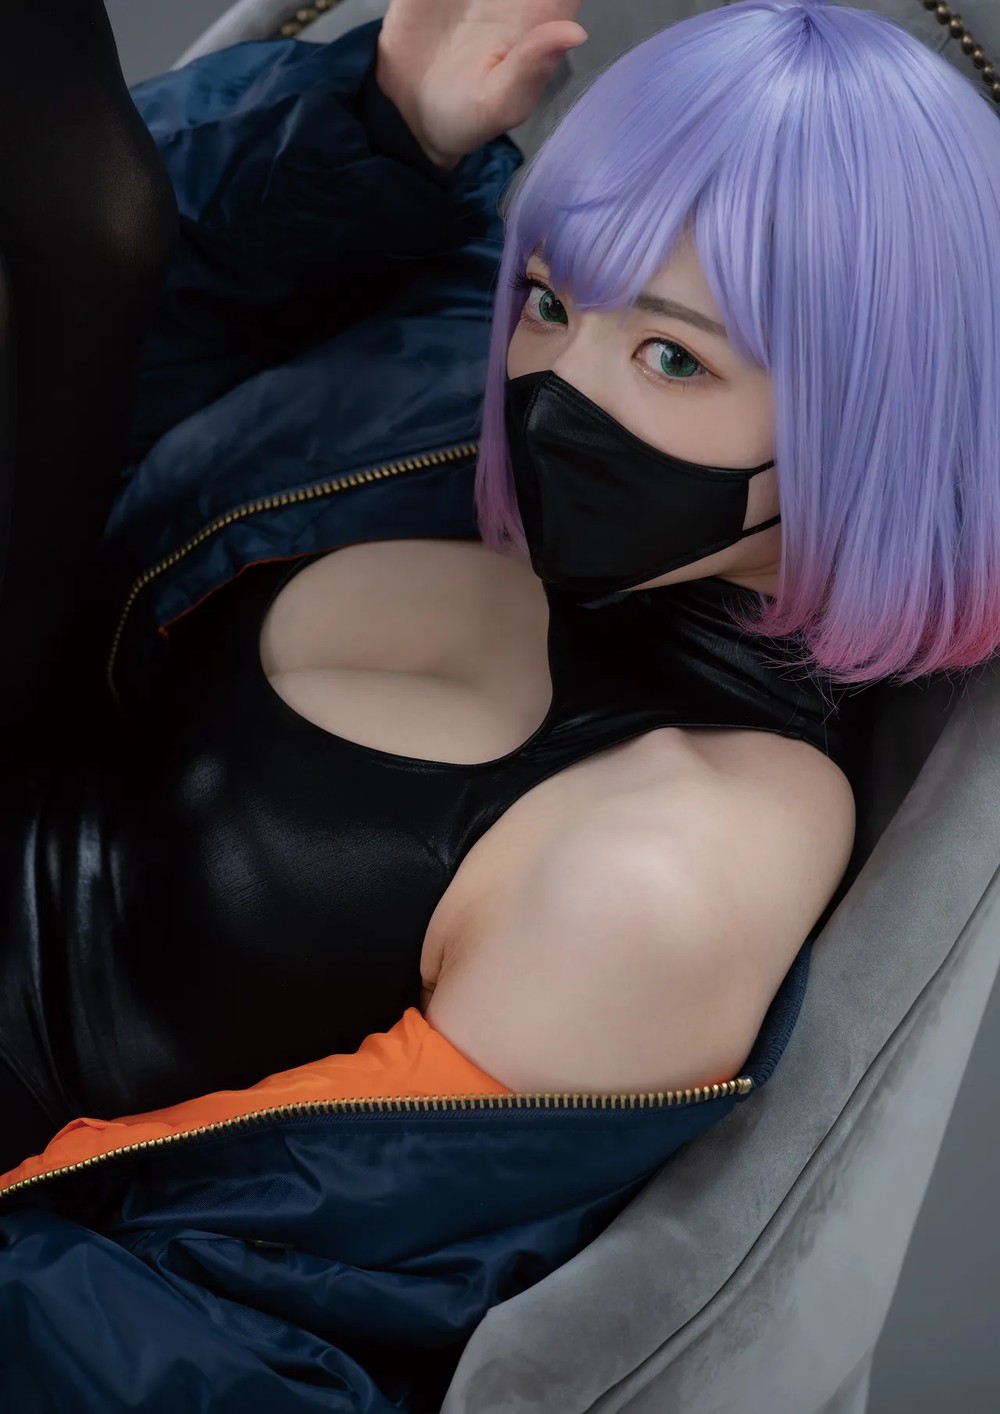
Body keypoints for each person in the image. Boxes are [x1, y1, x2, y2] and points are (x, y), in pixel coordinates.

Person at [1, 0, 998, 1194]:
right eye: (553, 300)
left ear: (876, 416)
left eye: (674, 356)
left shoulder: (675, 858)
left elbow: (265, 1252)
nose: (554, 389)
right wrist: (385, 134)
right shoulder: (458, 358)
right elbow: (111, 338)